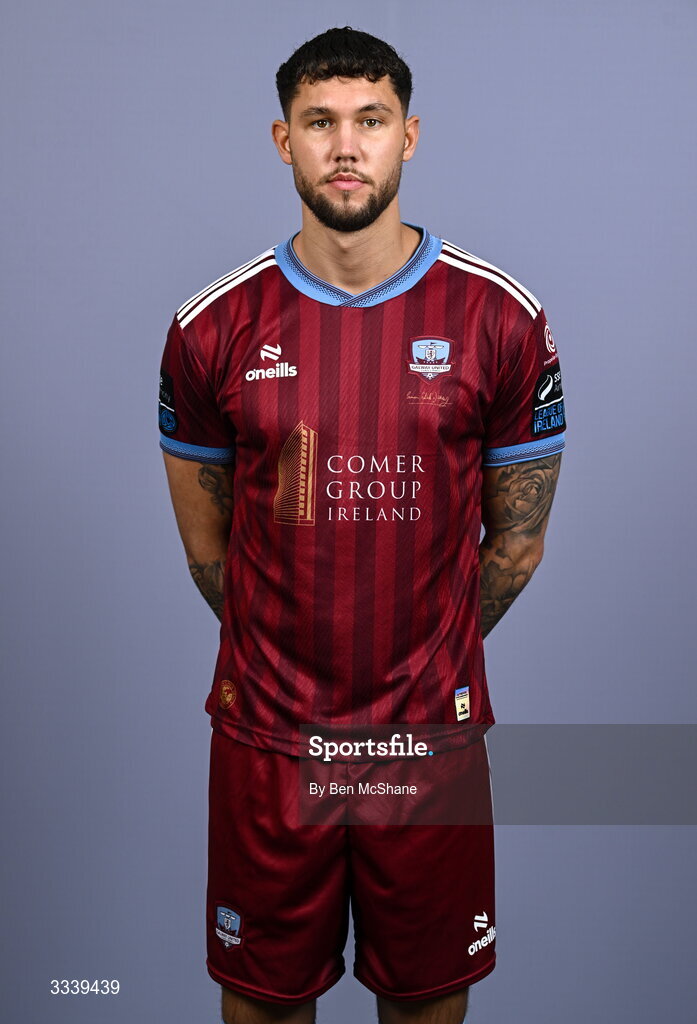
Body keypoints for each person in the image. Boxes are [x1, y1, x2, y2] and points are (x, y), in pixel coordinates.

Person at [158, 25, 565, 1024]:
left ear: (409, 136)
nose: (346, 146)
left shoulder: (498, 320)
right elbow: (211, 553)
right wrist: (290, 658)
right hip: (267, 742)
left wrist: (415, 661)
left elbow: (514, 543)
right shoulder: (210, 329)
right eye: (320, 122)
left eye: (370, 121)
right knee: (260, 1004)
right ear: (281, 139)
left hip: (426, 745)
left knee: (426, 1004)